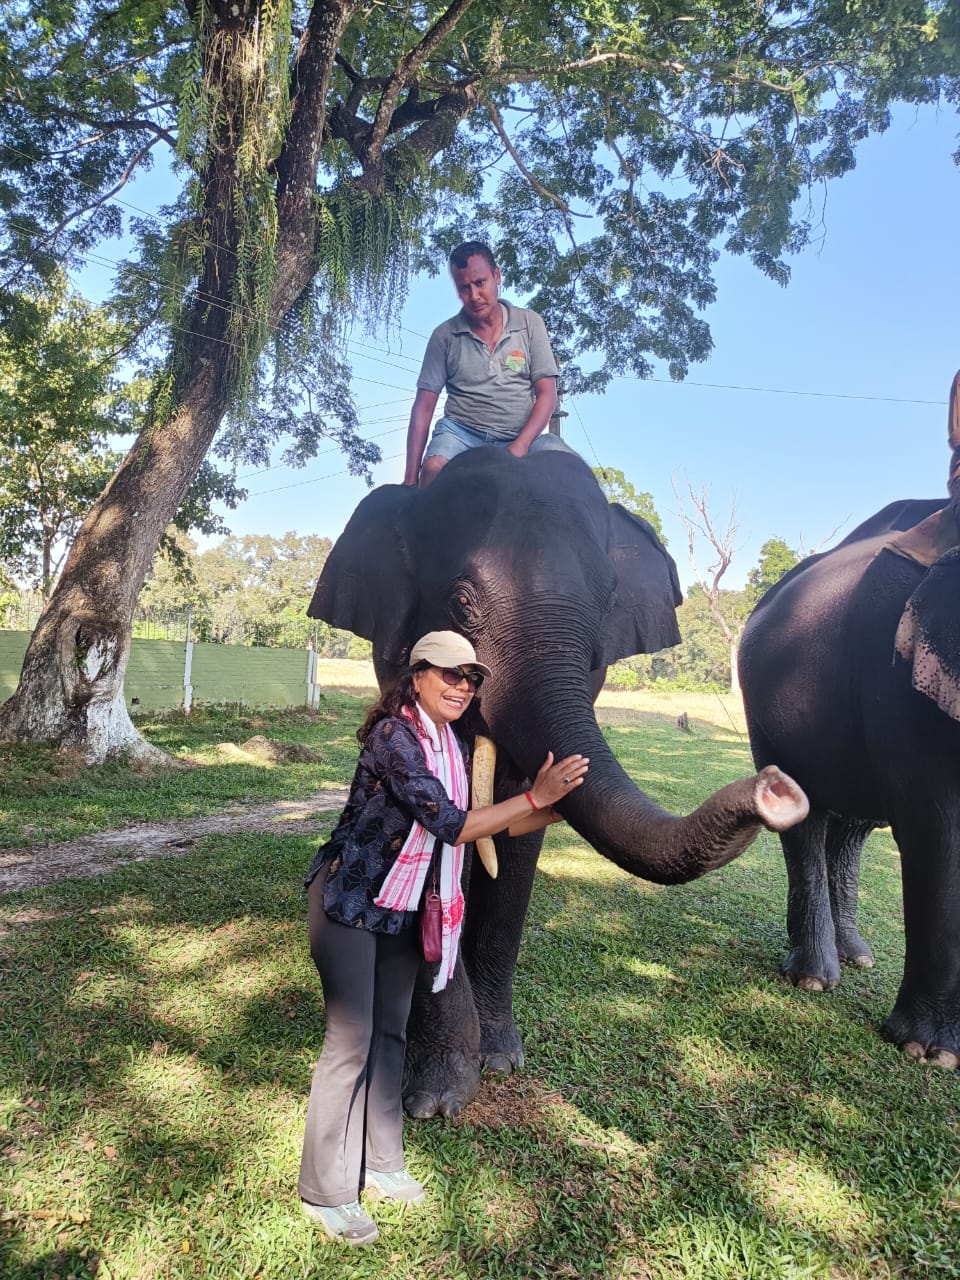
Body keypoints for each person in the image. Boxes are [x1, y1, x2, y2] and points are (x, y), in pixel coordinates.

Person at [298, 629, 588, 1245]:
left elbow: (488, 829)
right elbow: (451, 825)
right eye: (450, 675)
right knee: (349, 1042)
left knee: (392, 1032)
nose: (462, 686)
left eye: (471, 679)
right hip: (350, 901)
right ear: (418, 676)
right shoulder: (395, 738)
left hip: (402, 906)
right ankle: (326, 1191)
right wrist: (535, 796)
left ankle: (382, 1162)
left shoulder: (454, 748)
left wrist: (550, 810)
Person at [403, 241, 577, 487]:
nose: (474, 296)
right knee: (433, 469)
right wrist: (410, 481)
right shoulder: (444, 336)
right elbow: (423, 407)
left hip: (524, 436)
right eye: (464, 288)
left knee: (572, 467)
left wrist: (520, 445)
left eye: (480, 283)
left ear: (496, 276)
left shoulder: (529, 324)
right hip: (461, 434)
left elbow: (547, 395)